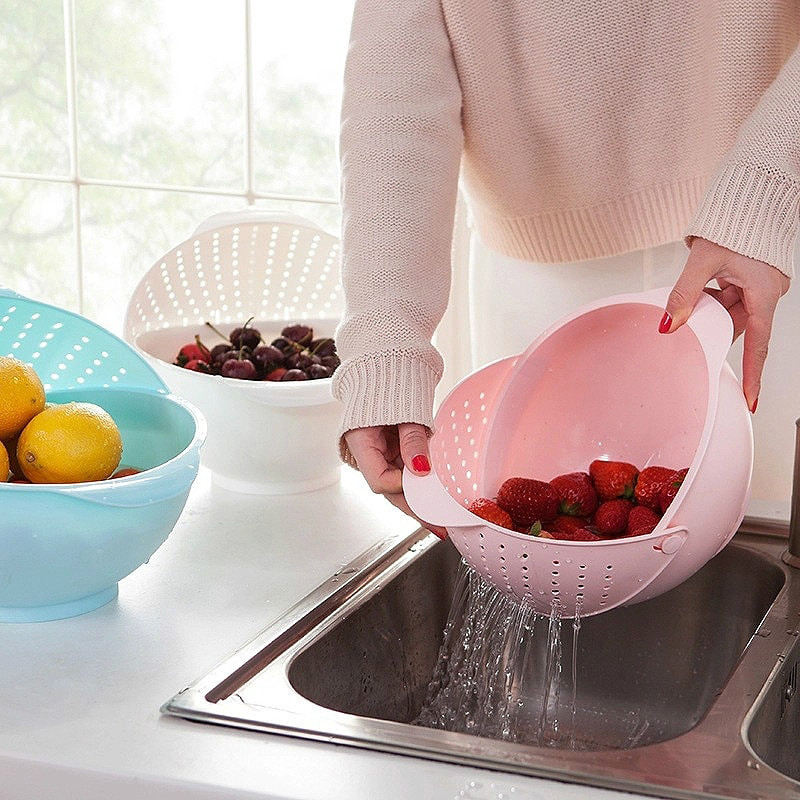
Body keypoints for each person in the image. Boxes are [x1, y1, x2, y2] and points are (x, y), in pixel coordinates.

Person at [331, 0, 799, 533]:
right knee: (539, 538)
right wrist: (386, 345)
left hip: (761, 244)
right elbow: (394, 94)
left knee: (769, 529)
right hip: (535, 269)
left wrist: (769, 186)